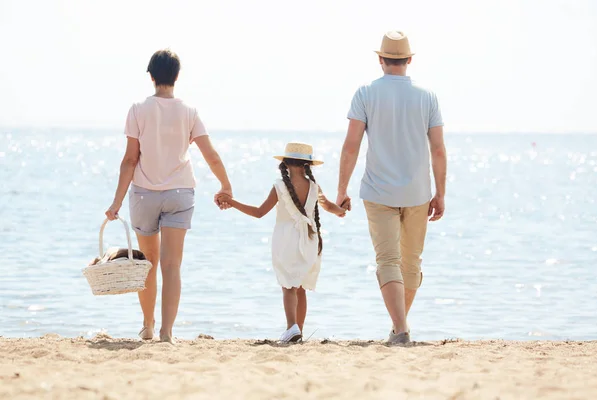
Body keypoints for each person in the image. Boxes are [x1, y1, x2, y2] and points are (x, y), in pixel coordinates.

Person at [105, 49, 232, 344]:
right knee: (172, 266)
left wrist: (115, 203)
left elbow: (129, 161)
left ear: (151, 76)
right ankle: (167, 333)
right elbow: (210, 154)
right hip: (179, 193)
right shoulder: (189, 111)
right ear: (176, 76)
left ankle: (147, 326)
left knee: (147, 261)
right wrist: (226, 184)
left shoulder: (137, 109)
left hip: (144, 195)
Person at [337, 31, 447, 344]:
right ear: (409, 60)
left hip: (378, 191)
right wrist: (440, 193)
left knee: (388, 261)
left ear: (381, 59)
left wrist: (341, 190)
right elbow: (438, 149)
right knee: (411, 263)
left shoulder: (365, 93)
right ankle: (400, 328)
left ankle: (400, 329)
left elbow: (351, 145)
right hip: (417, 192)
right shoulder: (427, 96)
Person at [217, 143, 346, 342]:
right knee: (301, 287)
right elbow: (329, 206)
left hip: (287, 240)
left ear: (285, 164)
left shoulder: (280, 186)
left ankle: (290, 327)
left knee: (288, 286)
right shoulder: (313, 186)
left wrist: (232, 202)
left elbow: (259, 213)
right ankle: (298, 331)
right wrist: (341, 211)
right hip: (311, 240)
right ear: (307, 165)